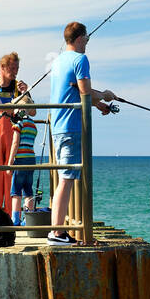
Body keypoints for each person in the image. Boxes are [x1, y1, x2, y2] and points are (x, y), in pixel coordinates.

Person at [48, 21, 117, 246]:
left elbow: (75, 91)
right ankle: (56, 233)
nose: (88, 41)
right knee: (66, 180)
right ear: (79, 38)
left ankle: (59, 231)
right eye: (86, 37)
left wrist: (99, 106)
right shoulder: (80, 59)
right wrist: (105, 94)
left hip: (58, 125)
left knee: (66, 178)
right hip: (71, 126)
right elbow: (85, 91)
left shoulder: (58, 61)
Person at [0, 52, 36, 211]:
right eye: (12, 68)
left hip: (13, 134)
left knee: (11, 173)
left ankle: (9, 214)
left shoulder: (18, 87)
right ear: (2, 67)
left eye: (17, 68)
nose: (15, 72)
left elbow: (32, 112)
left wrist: (25, 94)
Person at [8, 93, 39, 226]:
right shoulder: (33, 125)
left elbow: (15, 143)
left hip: (20, 160)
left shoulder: (19, 124)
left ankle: (15, 219)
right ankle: (28, 219)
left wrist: (10, 163)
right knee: (28, 190)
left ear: (19, 110)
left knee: (16, 192)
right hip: (31, 159)